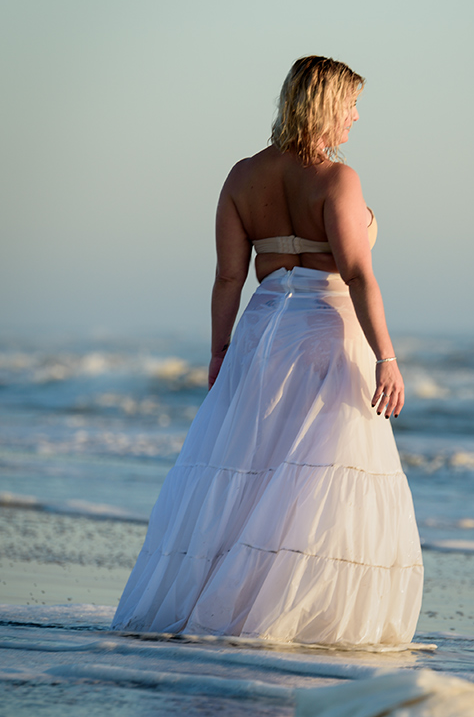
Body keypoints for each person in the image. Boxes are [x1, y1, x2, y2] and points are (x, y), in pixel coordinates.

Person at [112, 56, 423, 646]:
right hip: (325, 336)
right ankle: (296, 614)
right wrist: (386, 356)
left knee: (252, 470)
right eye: (351, 104)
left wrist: (219, 351)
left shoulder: (241, 177)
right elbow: (357, 275)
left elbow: (229, 277)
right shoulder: (338, 179)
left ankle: (222, 606)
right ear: (327, 104)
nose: (357, 117)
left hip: (260, 335)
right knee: (318, 478)